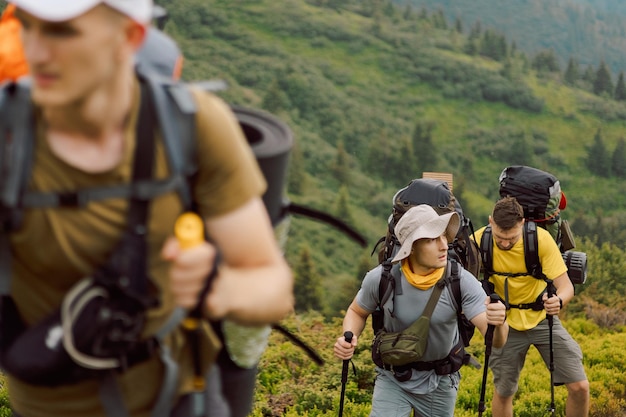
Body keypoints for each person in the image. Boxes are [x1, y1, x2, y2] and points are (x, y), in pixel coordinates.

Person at [2, 1, 293, 417]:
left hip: (174, 399)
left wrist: (216, 287)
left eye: (62, 32)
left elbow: (273, 285)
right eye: (26, 27)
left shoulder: (190, 125)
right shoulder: (8, 137)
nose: (36, 50)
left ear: (130, 37)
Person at [334, 204, 508, 417]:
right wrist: (347, 337)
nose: (444, 245)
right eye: (432, 239)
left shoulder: (460, 280)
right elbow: (357, 311)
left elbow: (495, 341)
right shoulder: (382, 278)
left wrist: (498, 322)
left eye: (444, 236)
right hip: (392, 379)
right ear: (411, 247)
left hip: (440, 381)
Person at [474, 196, 589, 417]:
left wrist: (559, 301)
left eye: (512, 238)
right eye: (500, 237)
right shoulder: (477, 241)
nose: (505, 243)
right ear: (490, 222)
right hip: (504, 326)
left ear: (523, 223)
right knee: (504, 391)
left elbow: (566, 286)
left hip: (541, 320)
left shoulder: (540, 240)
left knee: (580, 386)